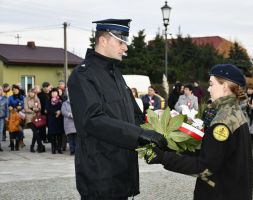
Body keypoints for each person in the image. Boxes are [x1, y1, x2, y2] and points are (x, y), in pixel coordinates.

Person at [67, 18, 167, 200]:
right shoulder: (83, 75)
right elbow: (92, 120)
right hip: (100, 174)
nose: (125, 48)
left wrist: (160, 128)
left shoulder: (115, 74)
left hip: (122, 171)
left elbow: (133, 116)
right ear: (103, 40)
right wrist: (139, 135)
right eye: (121, 42)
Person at [145, 64, 253, 200]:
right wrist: (169, 147)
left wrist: (162, 157)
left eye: (211, 84)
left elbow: (204, 168)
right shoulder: (234, 111)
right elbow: (210, 152)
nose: (208, 88)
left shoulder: (222, 122)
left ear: (225, 86)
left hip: (220, 193)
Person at [24, 88, 45, 153]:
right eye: (30, 92)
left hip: (36, 118)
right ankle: (40, 145)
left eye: (32, 92)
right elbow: (26, 109)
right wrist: (32, 110)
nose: (31, 94)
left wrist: (34, 109)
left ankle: (32, 146)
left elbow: (39, 108)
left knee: (35, 133)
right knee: (35, 132)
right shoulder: (26, 99)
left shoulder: (37, 99)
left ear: (34, 93)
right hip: (29, 118)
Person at [45, 88, 64, 154]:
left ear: (57, 93)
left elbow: (63, 107)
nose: (54, 94)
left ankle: (59, 148)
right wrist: (55, 112)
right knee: (52, 135)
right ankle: (53, 148)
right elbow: (48, 109)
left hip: (59, 119)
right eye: (52, 93)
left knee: (59, 135)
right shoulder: (48, 100)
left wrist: (59, 112)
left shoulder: (60, 100)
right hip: (52, 118)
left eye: (55, 92)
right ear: (51, 94)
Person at [61, 90, 77, 155]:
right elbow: (63, 112)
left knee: (76, 138)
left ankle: (76, 151)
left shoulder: (76, 102)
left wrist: (75, 114)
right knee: (70, 138)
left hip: (75, 123)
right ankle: (72, 150)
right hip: (68, 123)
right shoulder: (64, 103)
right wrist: (70, 114)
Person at [0, 86, 8, 151]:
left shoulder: (5, 98)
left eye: (0, 90)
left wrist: (7, 116)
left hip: (1, 117)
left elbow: (7, 108)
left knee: (0, 131)